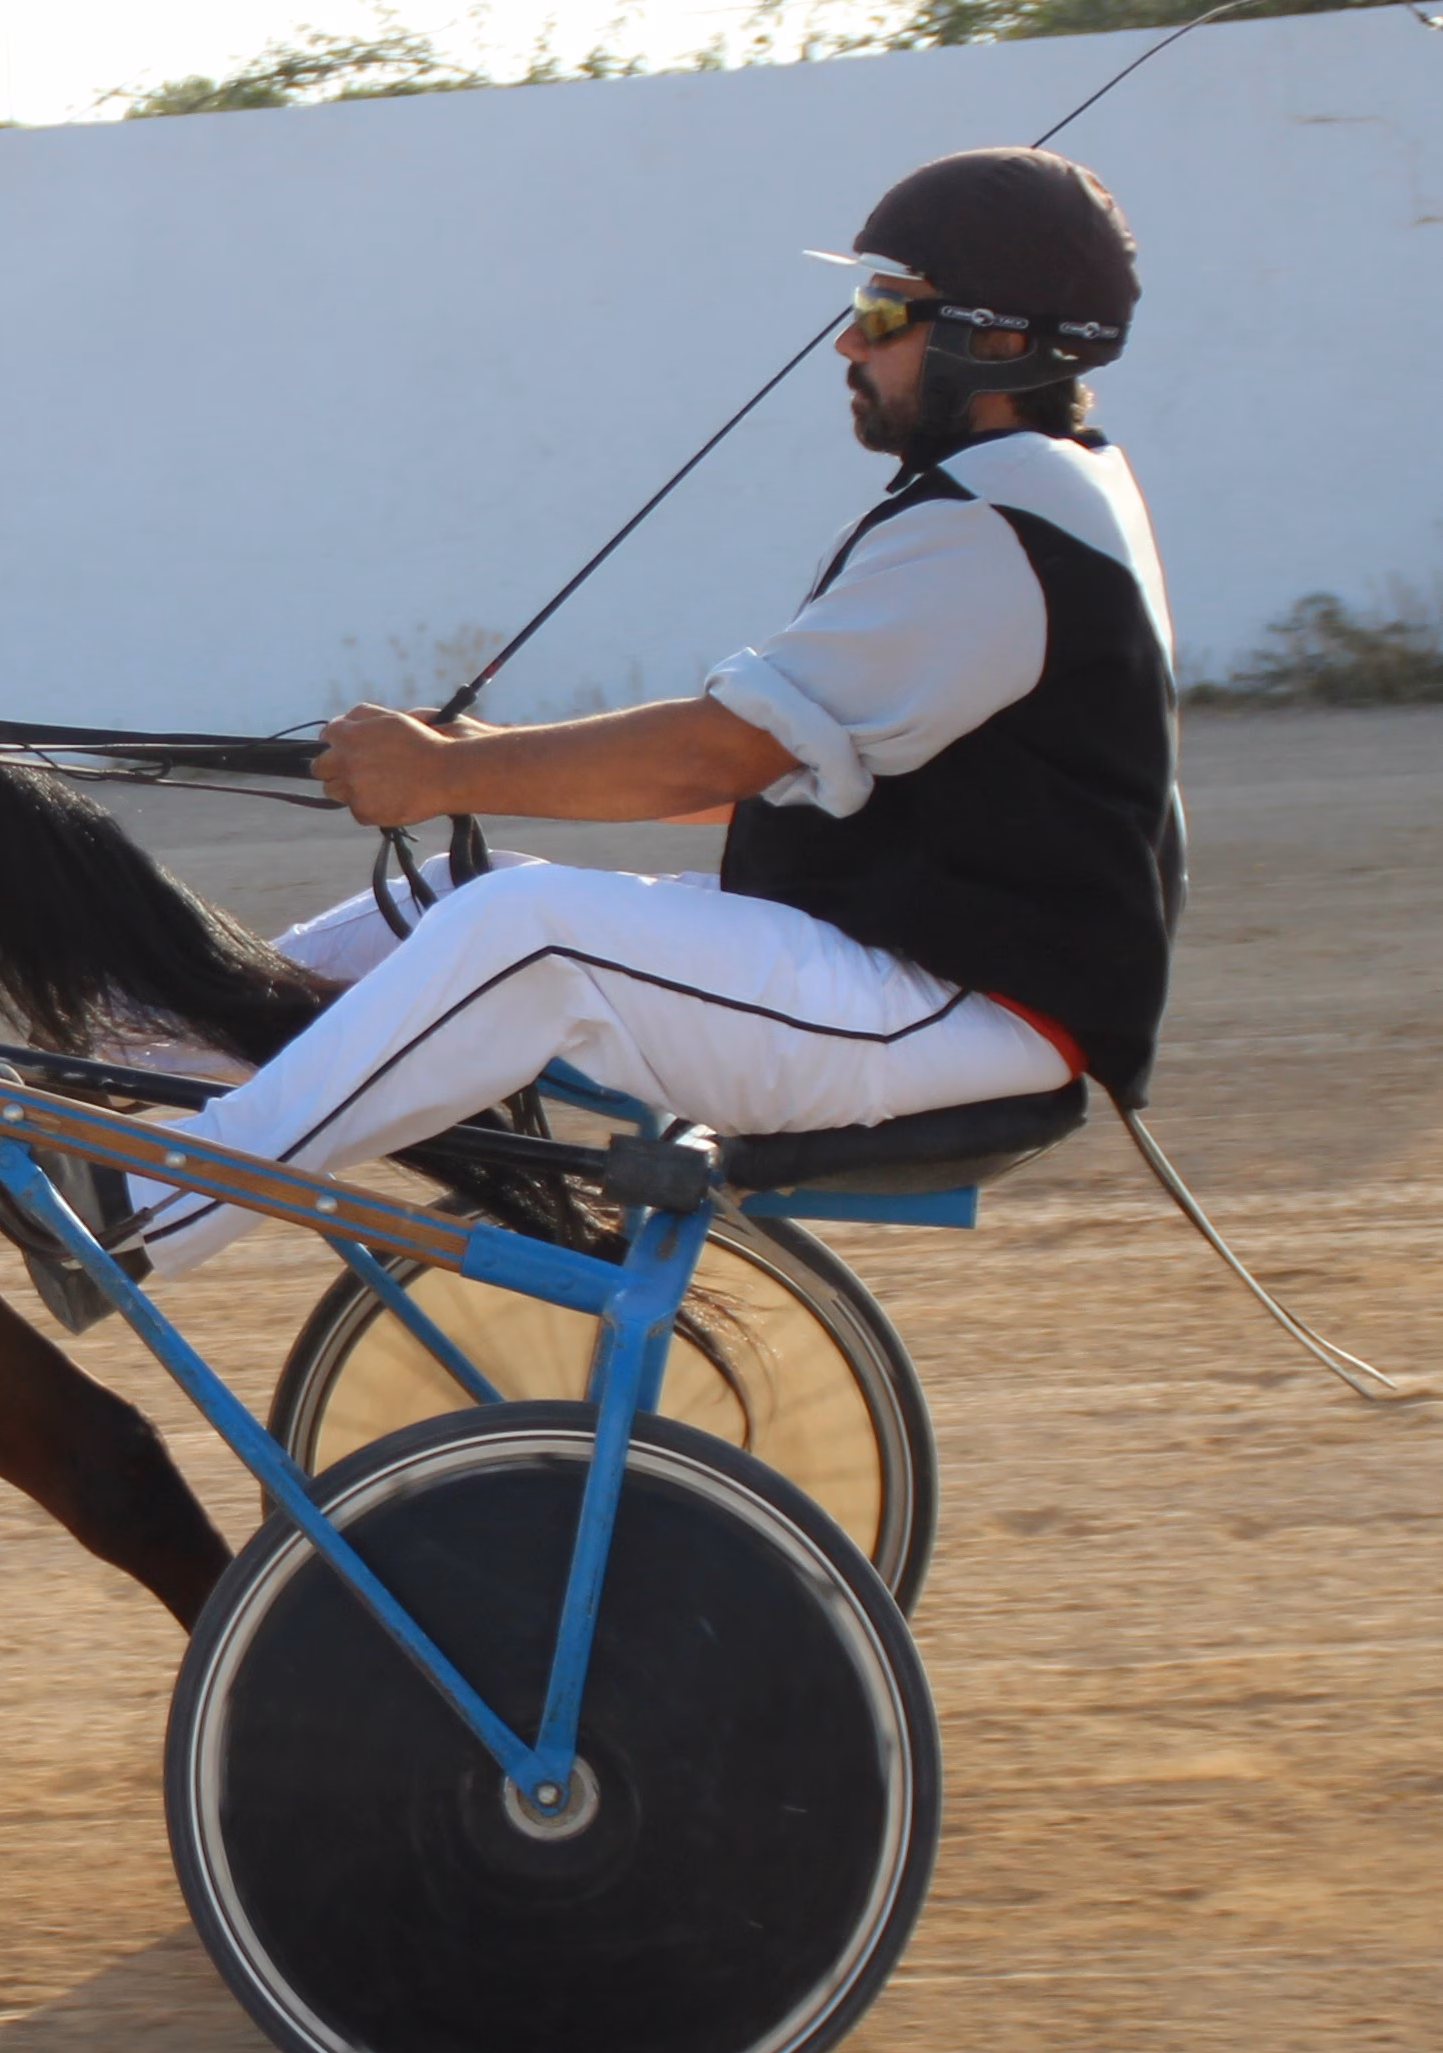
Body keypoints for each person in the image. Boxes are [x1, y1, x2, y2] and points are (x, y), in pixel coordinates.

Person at [79, 145, 1181, 1287]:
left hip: (964, 1018)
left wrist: (446, 773)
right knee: (455, 895)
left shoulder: (993, 527)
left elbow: (721, 747)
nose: (846, 341)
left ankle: (143, 1204)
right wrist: (470, 762)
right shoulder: (1023, 495)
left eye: (882, 308)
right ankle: (108, 1074)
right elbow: (766, 764)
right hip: (904, 973)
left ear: (994, 340)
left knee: (526, 931)